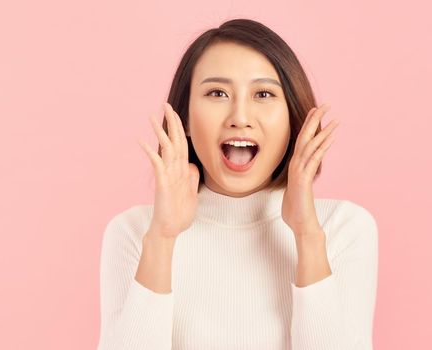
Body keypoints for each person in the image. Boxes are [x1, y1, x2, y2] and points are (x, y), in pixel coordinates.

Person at [97, 18, 378, 350]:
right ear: (185, 116)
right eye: (217, 93)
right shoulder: (133, 232)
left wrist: (306, 235)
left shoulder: (344, 227)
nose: (240, 116)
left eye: (263, 93)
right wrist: (162, 238)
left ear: (291, 116)